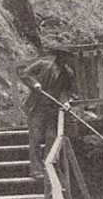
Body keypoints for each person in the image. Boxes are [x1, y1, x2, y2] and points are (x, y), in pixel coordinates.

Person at [20, 48, 76, 177]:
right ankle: (36, 170)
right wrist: (35, 84)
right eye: (64, 57)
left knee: (52, 138)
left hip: (53, 109)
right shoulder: (42, 65)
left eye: (68, 58)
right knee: (35, 138)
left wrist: (65, 102)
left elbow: (64, 91)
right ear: (58, 57)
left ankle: (48, 167)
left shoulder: (68, 73)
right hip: (37, 108)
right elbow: (25, 74)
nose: (66, 60)